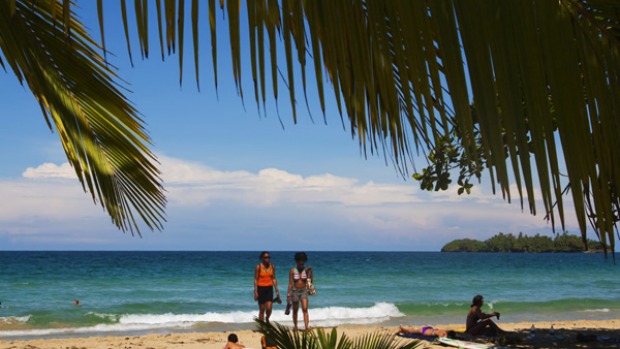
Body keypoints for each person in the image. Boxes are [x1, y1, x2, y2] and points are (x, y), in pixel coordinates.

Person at [287, 252, 313, 331]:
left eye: (303, 260)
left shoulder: (307, 270)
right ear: (297, 261)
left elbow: (310, 282)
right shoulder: (292, 270)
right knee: (295, 310)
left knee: (305, 309)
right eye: (300, 260)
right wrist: (288, 294)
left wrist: (310, 274)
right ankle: (295, 326)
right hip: (295, 291)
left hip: (304, 291)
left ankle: (306, 327)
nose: (301, 262)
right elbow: (290, 283)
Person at [254, 251, 281, 322]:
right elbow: (256, 280)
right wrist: (255, 291)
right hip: (261, 288)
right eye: (266, 257)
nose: (267, 259)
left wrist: (277, 290)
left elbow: (274, 278)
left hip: (269, 288)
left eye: (269, 257)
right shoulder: (258, 267)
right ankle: (262, 326)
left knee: (269, 308)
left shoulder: (272, 266)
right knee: (262, 309)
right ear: (262, 258)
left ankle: (267, 318)